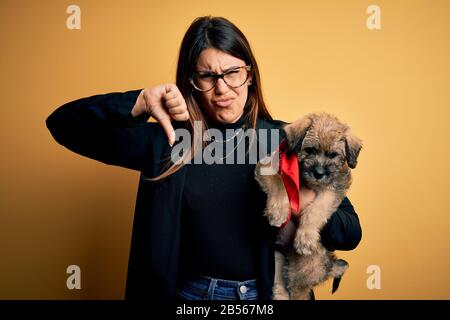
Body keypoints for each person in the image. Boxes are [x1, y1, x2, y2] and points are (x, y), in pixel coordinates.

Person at [46, 16, 362, 301]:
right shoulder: (167, 140)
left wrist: (304, 199)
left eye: (232, 72)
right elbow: (64, 125)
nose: (222, 88)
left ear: (249, 75)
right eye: (207, 76)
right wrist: (140, 100)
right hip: (190, 298)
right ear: (192, 82)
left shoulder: (285, 141)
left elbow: (350, 233)